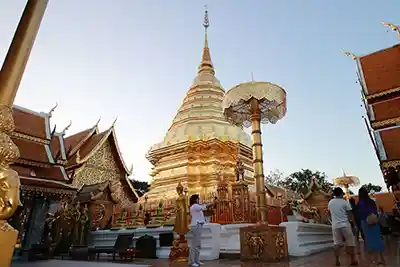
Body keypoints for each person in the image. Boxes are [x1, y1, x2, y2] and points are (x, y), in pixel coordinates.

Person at [328, 187, 358, 266]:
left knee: (336, 243)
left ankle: (337, 260)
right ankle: (353, 260)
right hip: (345, 225)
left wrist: (333, 221)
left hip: (335, 225)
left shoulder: (330, 202)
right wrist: (353, 224)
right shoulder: (345, 202)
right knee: (350, 242)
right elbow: (350, 215)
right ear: (341, 193)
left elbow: (329, 214)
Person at [357, 187, 385, 265]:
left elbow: (359, 214)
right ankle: (381, 258)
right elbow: (375, 211)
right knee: (378, 238)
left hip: (365, 222)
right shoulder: (371, 201)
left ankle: (374, 260)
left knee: (369, 240)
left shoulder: (360, 203)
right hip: (374, 221)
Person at [188, 194, 216, 267]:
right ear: (195, 199)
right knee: (195, 245)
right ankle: (192, 262)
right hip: (196, 225)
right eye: (198, 198)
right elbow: (205, 207)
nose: (199, 200)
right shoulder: (195, 206)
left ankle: (197, 260)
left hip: (198, 225)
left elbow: (204, 209)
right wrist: (213, 203)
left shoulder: (196, 207)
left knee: (198, 244)